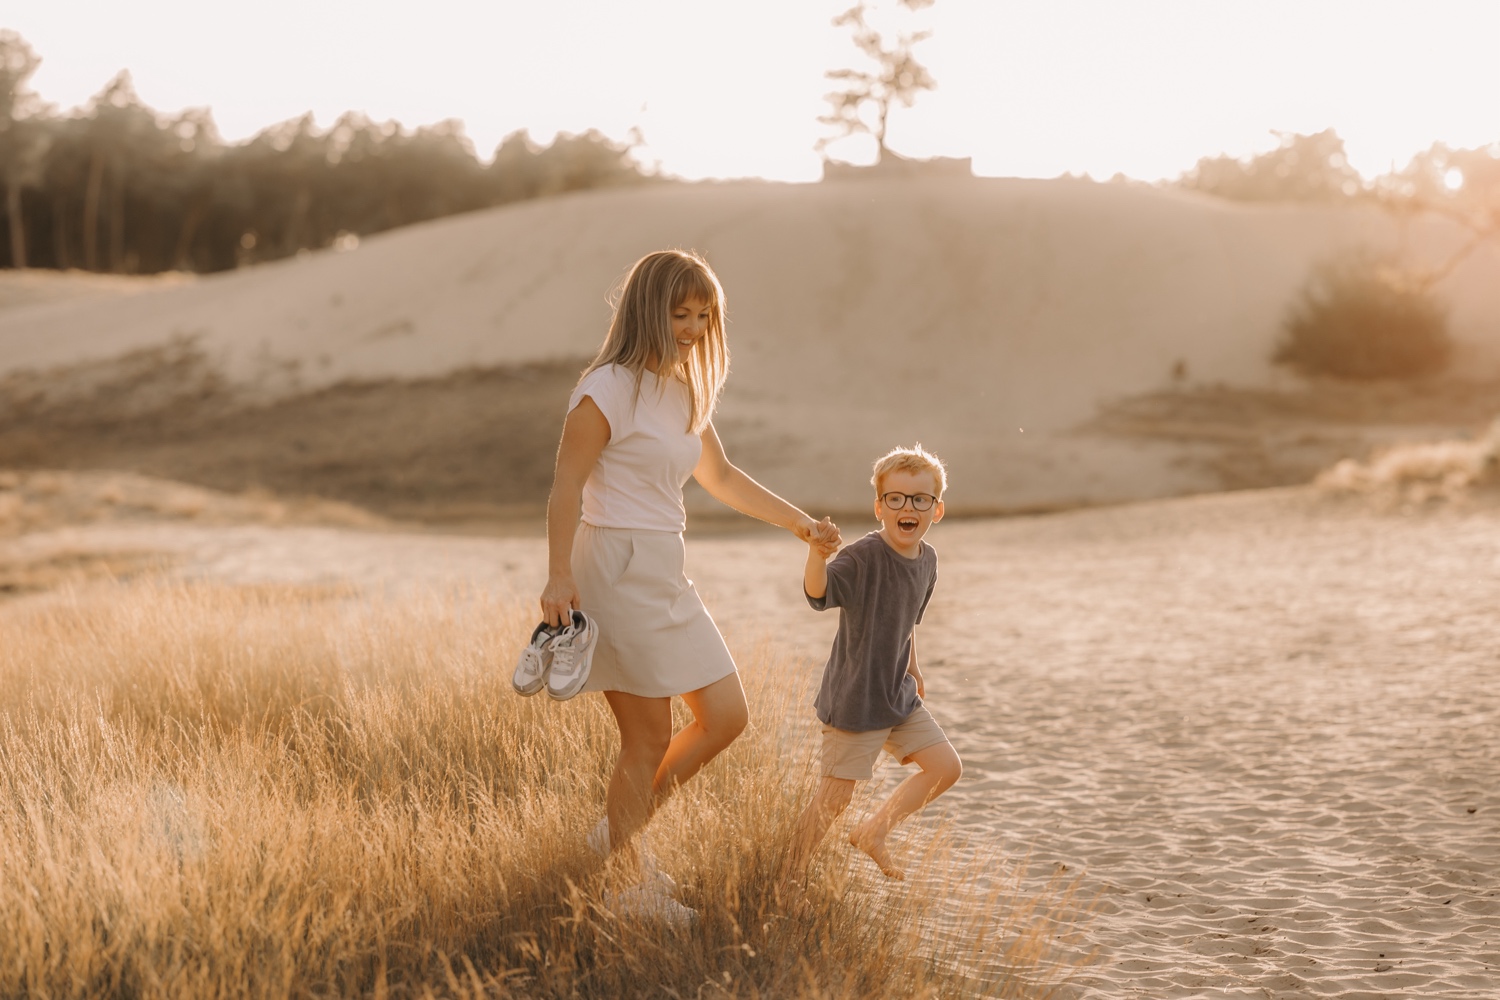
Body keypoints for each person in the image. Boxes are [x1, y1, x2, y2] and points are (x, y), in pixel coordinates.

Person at [537, 249, 840, 916]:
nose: (695, 328)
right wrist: (558, 574)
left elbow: (722, 477)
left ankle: (614, 835)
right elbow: (564, 487)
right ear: (648, 309)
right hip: (610, 567)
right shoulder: (603, 390)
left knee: (726, 717)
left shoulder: (680, 390)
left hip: (667, 569)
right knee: (645, 738)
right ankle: (630, 885)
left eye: (706, 316)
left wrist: (799, 526)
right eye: (682, 314)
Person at [783, 444, 963, 887]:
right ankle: (784, 877)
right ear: (879, 507)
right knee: (834, 798)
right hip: (856, 697)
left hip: (896, 693)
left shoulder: (928, 560)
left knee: (945, 768)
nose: (909, 507)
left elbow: (908, 620)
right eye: (897, 498)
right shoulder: (864, 556)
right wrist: (816, 555)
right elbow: (818, 593)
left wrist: (914, 667)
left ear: (936, 510)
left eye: (921, 499)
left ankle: (873, 834)